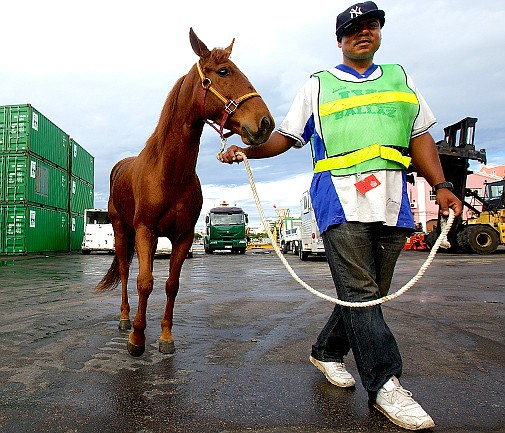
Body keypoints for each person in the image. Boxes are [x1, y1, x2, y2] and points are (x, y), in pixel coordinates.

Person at [218, 1, 462, 430]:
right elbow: (289, 137)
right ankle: (385, 383)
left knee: (367, 294)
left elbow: (419, 135)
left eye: (370, 26)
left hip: (393, 202)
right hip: (338, 199)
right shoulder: (319, 84)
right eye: (353, 29)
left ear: (380, 33)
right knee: (362, 292)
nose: (362, 33)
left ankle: (327, 351)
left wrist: (440, 186)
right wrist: (247, 151)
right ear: (339, 40)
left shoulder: (400, 80)